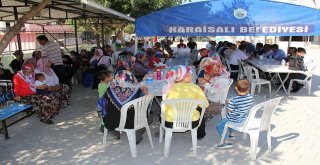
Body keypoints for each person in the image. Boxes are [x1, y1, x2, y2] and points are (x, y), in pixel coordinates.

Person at [163, 65, 209, 139]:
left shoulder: (168, 88)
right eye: (191, 75)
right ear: (185, 77)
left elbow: (164, 104)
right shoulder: (196, 88)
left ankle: (165, 133)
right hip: (191, 122)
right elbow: (205, 105)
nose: (192, 76)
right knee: (201, 112)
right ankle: (200, 135)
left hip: (170, 122)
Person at [102, 70, 148, 142]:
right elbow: (143, 106)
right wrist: (145, 93)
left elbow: (102, 107)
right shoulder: (137, 91)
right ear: (130, 78)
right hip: (132, 123)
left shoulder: (109, 90)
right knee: (146, 116)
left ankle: (115, 130)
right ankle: (137, 133)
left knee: (112, 111)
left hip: (112, 122)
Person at [216, 79, 254, 148]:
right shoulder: (250, 97)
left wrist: (230, 102)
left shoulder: (234, 100)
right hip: (243, 118)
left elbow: (230, 110)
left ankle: (227, 142)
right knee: (231, 119)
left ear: (236, 88)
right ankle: (232, 134)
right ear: (248, 88)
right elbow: (244, 103)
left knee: (219, 126)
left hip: (234, 118)